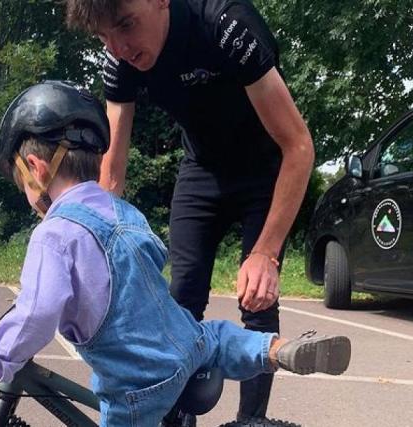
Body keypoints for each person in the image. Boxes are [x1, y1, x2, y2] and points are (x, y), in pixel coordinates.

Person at [0, 80, 349, 427]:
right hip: (186, 341)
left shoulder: (54, 234)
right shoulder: (122, 211)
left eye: (23, 185)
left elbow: (37, 311)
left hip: (141, 382)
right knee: (216, 337)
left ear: (35, 167)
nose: (27, 196)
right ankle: (278, 349)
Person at [63, 0, 316, 420]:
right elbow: (111, 173)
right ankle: (176, 416)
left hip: (265, 168)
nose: (119, 47)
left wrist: (265, 253)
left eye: (126, 25)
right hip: (201, 170)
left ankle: (250, 420)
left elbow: (299, 147)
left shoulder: (226, 26)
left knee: (257, 299)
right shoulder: (119, 59)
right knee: (180, 301)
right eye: (104, 37)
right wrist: (89, 241)